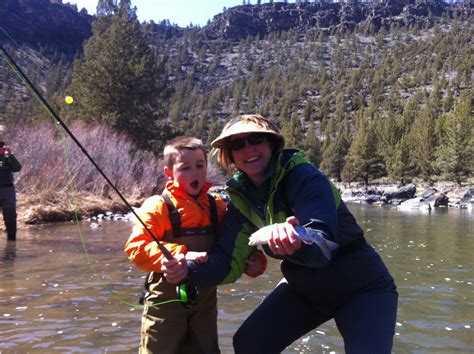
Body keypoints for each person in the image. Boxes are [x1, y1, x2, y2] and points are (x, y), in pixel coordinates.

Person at [186, 114, 398, 353]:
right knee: (249, 343)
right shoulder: (240, 201)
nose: (248, 149)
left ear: (272, 144)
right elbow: (227, 261)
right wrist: (186, 269)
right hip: (305, 288)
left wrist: (298, 244)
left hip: (362, 287)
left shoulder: (305, 177)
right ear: (230, 154)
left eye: (256, 139)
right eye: (237, 144)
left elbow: (322, 244)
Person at [124, 136, 266, 354]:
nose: (195, 173)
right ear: (169, 173)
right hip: (165, 303)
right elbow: (135, 247)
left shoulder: (217, 206)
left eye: (200, 166)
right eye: (185, 168)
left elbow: (236, 243)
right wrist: (174, 256)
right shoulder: (158, 206)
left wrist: (256, 262)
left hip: (205, 304)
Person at [0, 139, 22, 241]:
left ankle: (12, 242)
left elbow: (17, 168)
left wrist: (10, 155)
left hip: (7, 189)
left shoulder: (6, 156)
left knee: (10, 218)